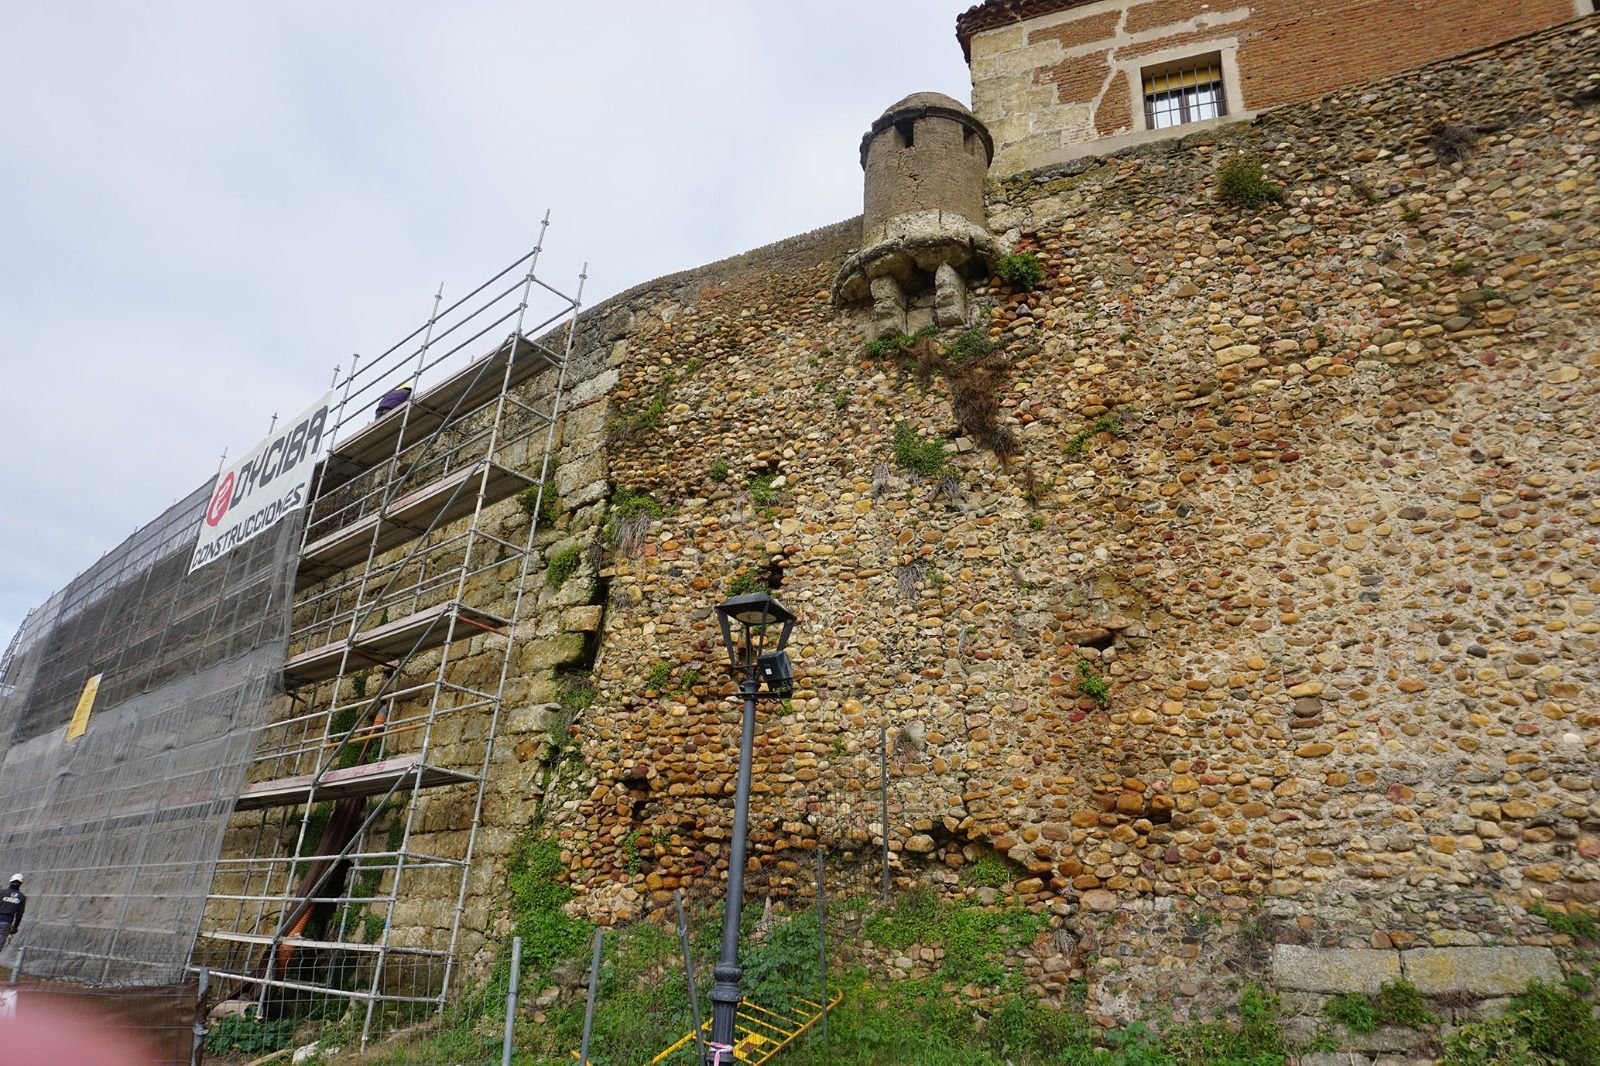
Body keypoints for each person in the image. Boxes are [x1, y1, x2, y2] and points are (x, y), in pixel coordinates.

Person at [0, 874, 24, 953]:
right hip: (6, 922)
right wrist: (15, 926)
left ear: (10, 881)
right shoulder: (21, 897)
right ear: (21, 883)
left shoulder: (2, 892)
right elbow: (19, 914)